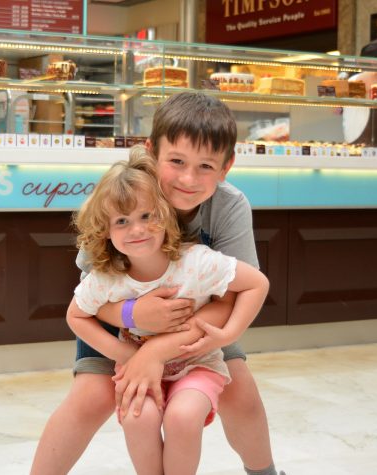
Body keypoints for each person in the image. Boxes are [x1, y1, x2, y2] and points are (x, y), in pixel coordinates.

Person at [31, 92, 284, 475]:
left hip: (198, 323)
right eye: (176, 161)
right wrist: (134, 314)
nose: (188, 179)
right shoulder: (123, 194)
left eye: (205, 166)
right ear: (152, 152)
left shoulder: (229, 207)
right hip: (116, 323)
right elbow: (91, 290)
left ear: (226, 167)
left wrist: (159, 350)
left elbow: (235, 295)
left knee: (241, 392)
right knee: (90, 398)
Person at [66, 145, 269, 474]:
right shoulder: (107, 277)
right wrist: (126, 353)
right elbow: (77, 314)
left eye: (147, 216)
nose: (137, 229)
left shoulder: (196, 262)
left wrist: (230, 333)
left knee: (184, 417)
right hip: (139, 370)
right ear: (106, 229)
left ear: (164, 215)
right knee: (135, 418)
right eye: (122, 221)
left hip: (196, 363)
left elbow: (254, 283)